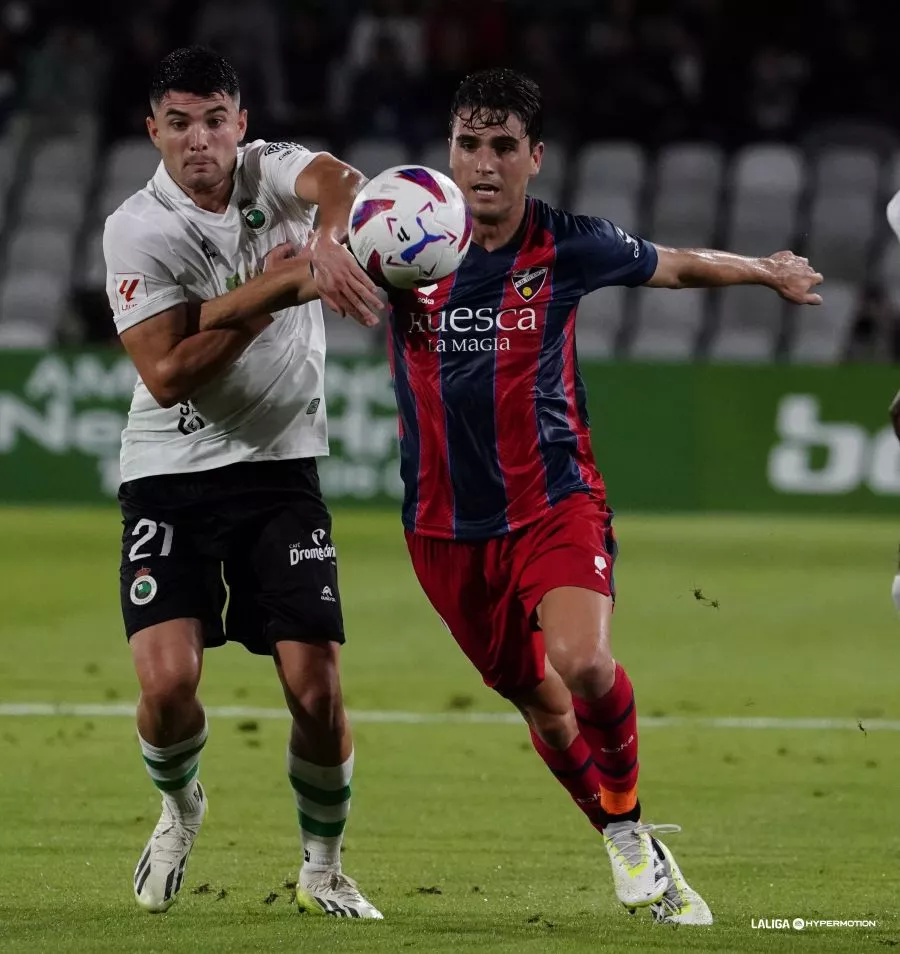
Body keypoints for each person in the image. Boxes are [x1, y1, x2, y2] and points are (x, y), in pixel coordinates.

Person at [382, 69, 822, 925]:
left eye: (503, 145)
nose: (484, 164)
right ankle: (633, 839)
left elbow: (677, 266)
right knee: (545, 709)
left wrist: (765, 271)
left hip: (555, 500)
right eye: (469, 144)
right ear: (449, 151)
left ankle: (626, 833)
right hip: (441, 527)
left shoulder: (567, 244)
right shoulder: (404, 240)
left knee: (581, 663)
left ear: (534, 157)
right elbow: (318, 241)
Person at [103, 46, 384, 918]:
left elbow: (343, 179)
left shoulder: (273, 173)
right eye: (180, 123)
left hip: (278, 469)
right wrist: (275, 289)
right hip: (169, 470)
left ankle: (324, 867)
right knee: (167, 685)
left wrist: (327, 247)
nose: (201, 140)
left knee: (317, 686)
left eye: (216, 119)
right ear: (153, 130)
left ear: (242, 123)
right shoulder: (135, 228)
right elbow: (167, 373)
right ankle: (181, 807)